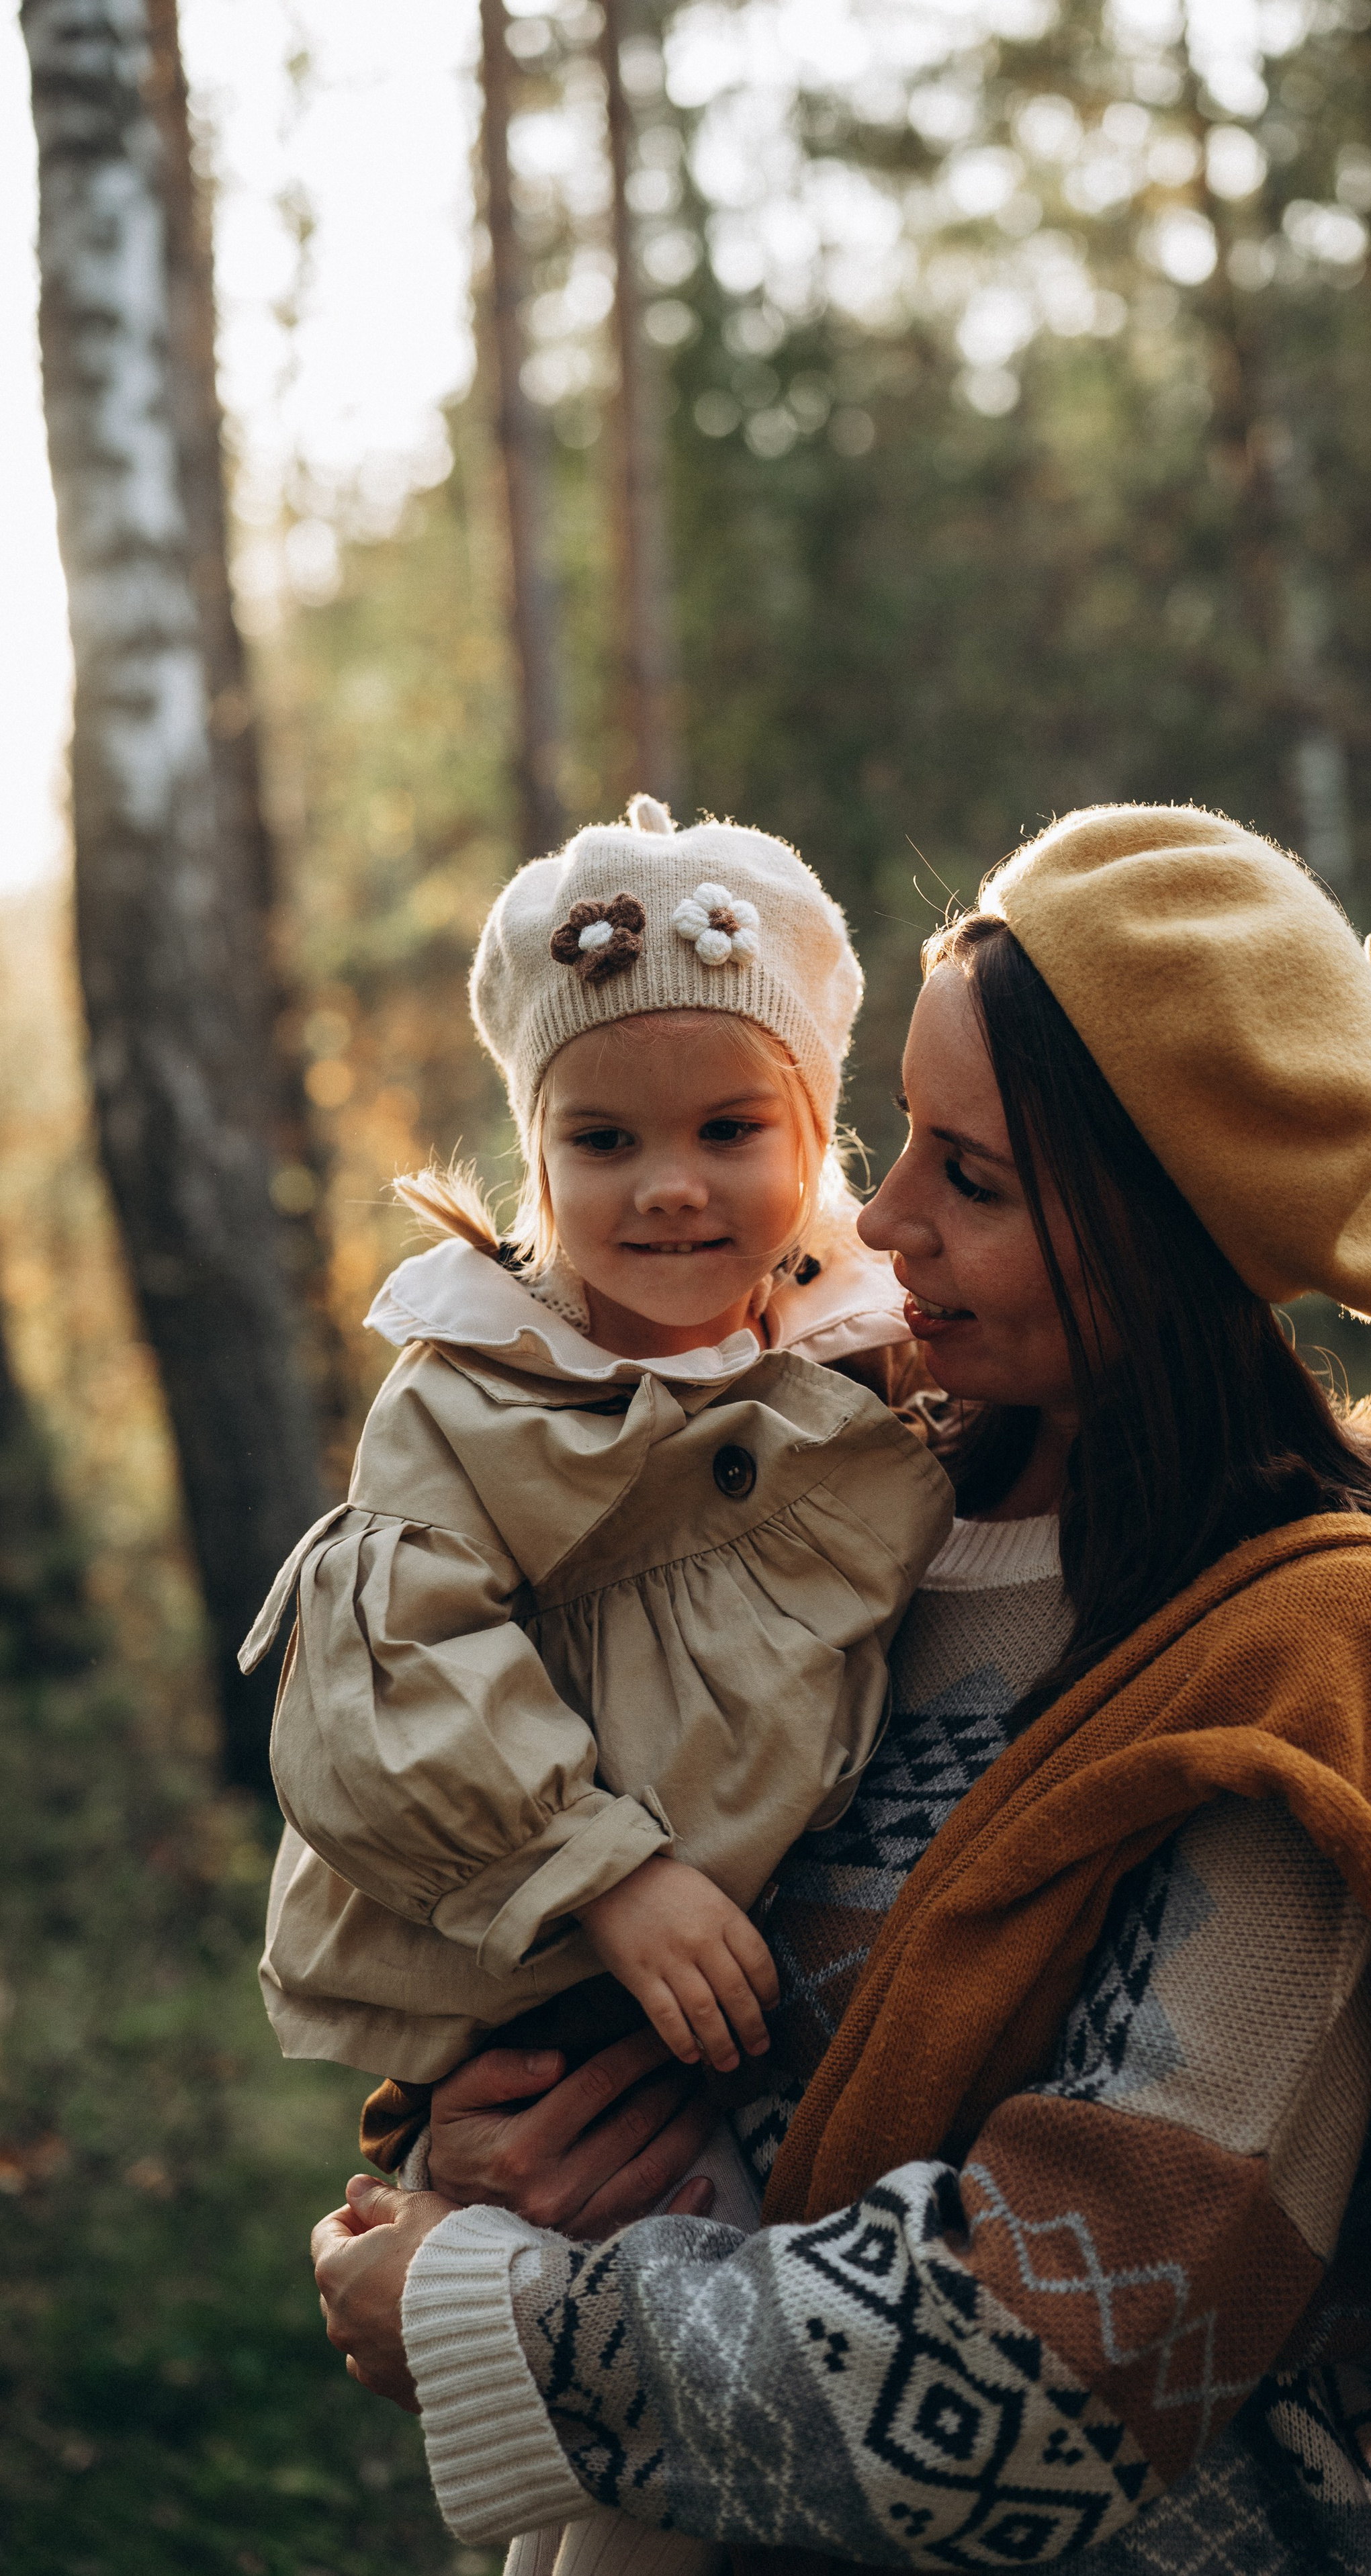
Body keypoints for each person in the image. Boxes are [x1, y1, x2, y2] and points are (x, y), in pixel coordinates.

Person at [312, 802, 1371, 2576]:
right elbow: (557, 1900)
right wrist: (478, 2149)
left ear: (1158, 1235)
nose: (879, 1216)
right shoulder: (843, 1520)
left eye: (974, 1177)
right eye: (902, 1141)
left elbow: (1062, 2366)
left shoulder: (1312, 1663)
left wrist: (507, 2313)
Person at [244, 794, 953, 2575]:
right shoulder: (476, 1395)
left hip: (750, 2020)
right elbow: (385, 1668)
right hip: (554, 1977)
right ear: (534, 1149)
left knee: (653, 2409)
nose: (672, 1183)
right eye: (605, 1135)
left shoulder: (857, 1354)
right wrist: (602, 1865)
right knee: (614, 2427)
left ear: (819, 1129)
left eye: (733, 1126)